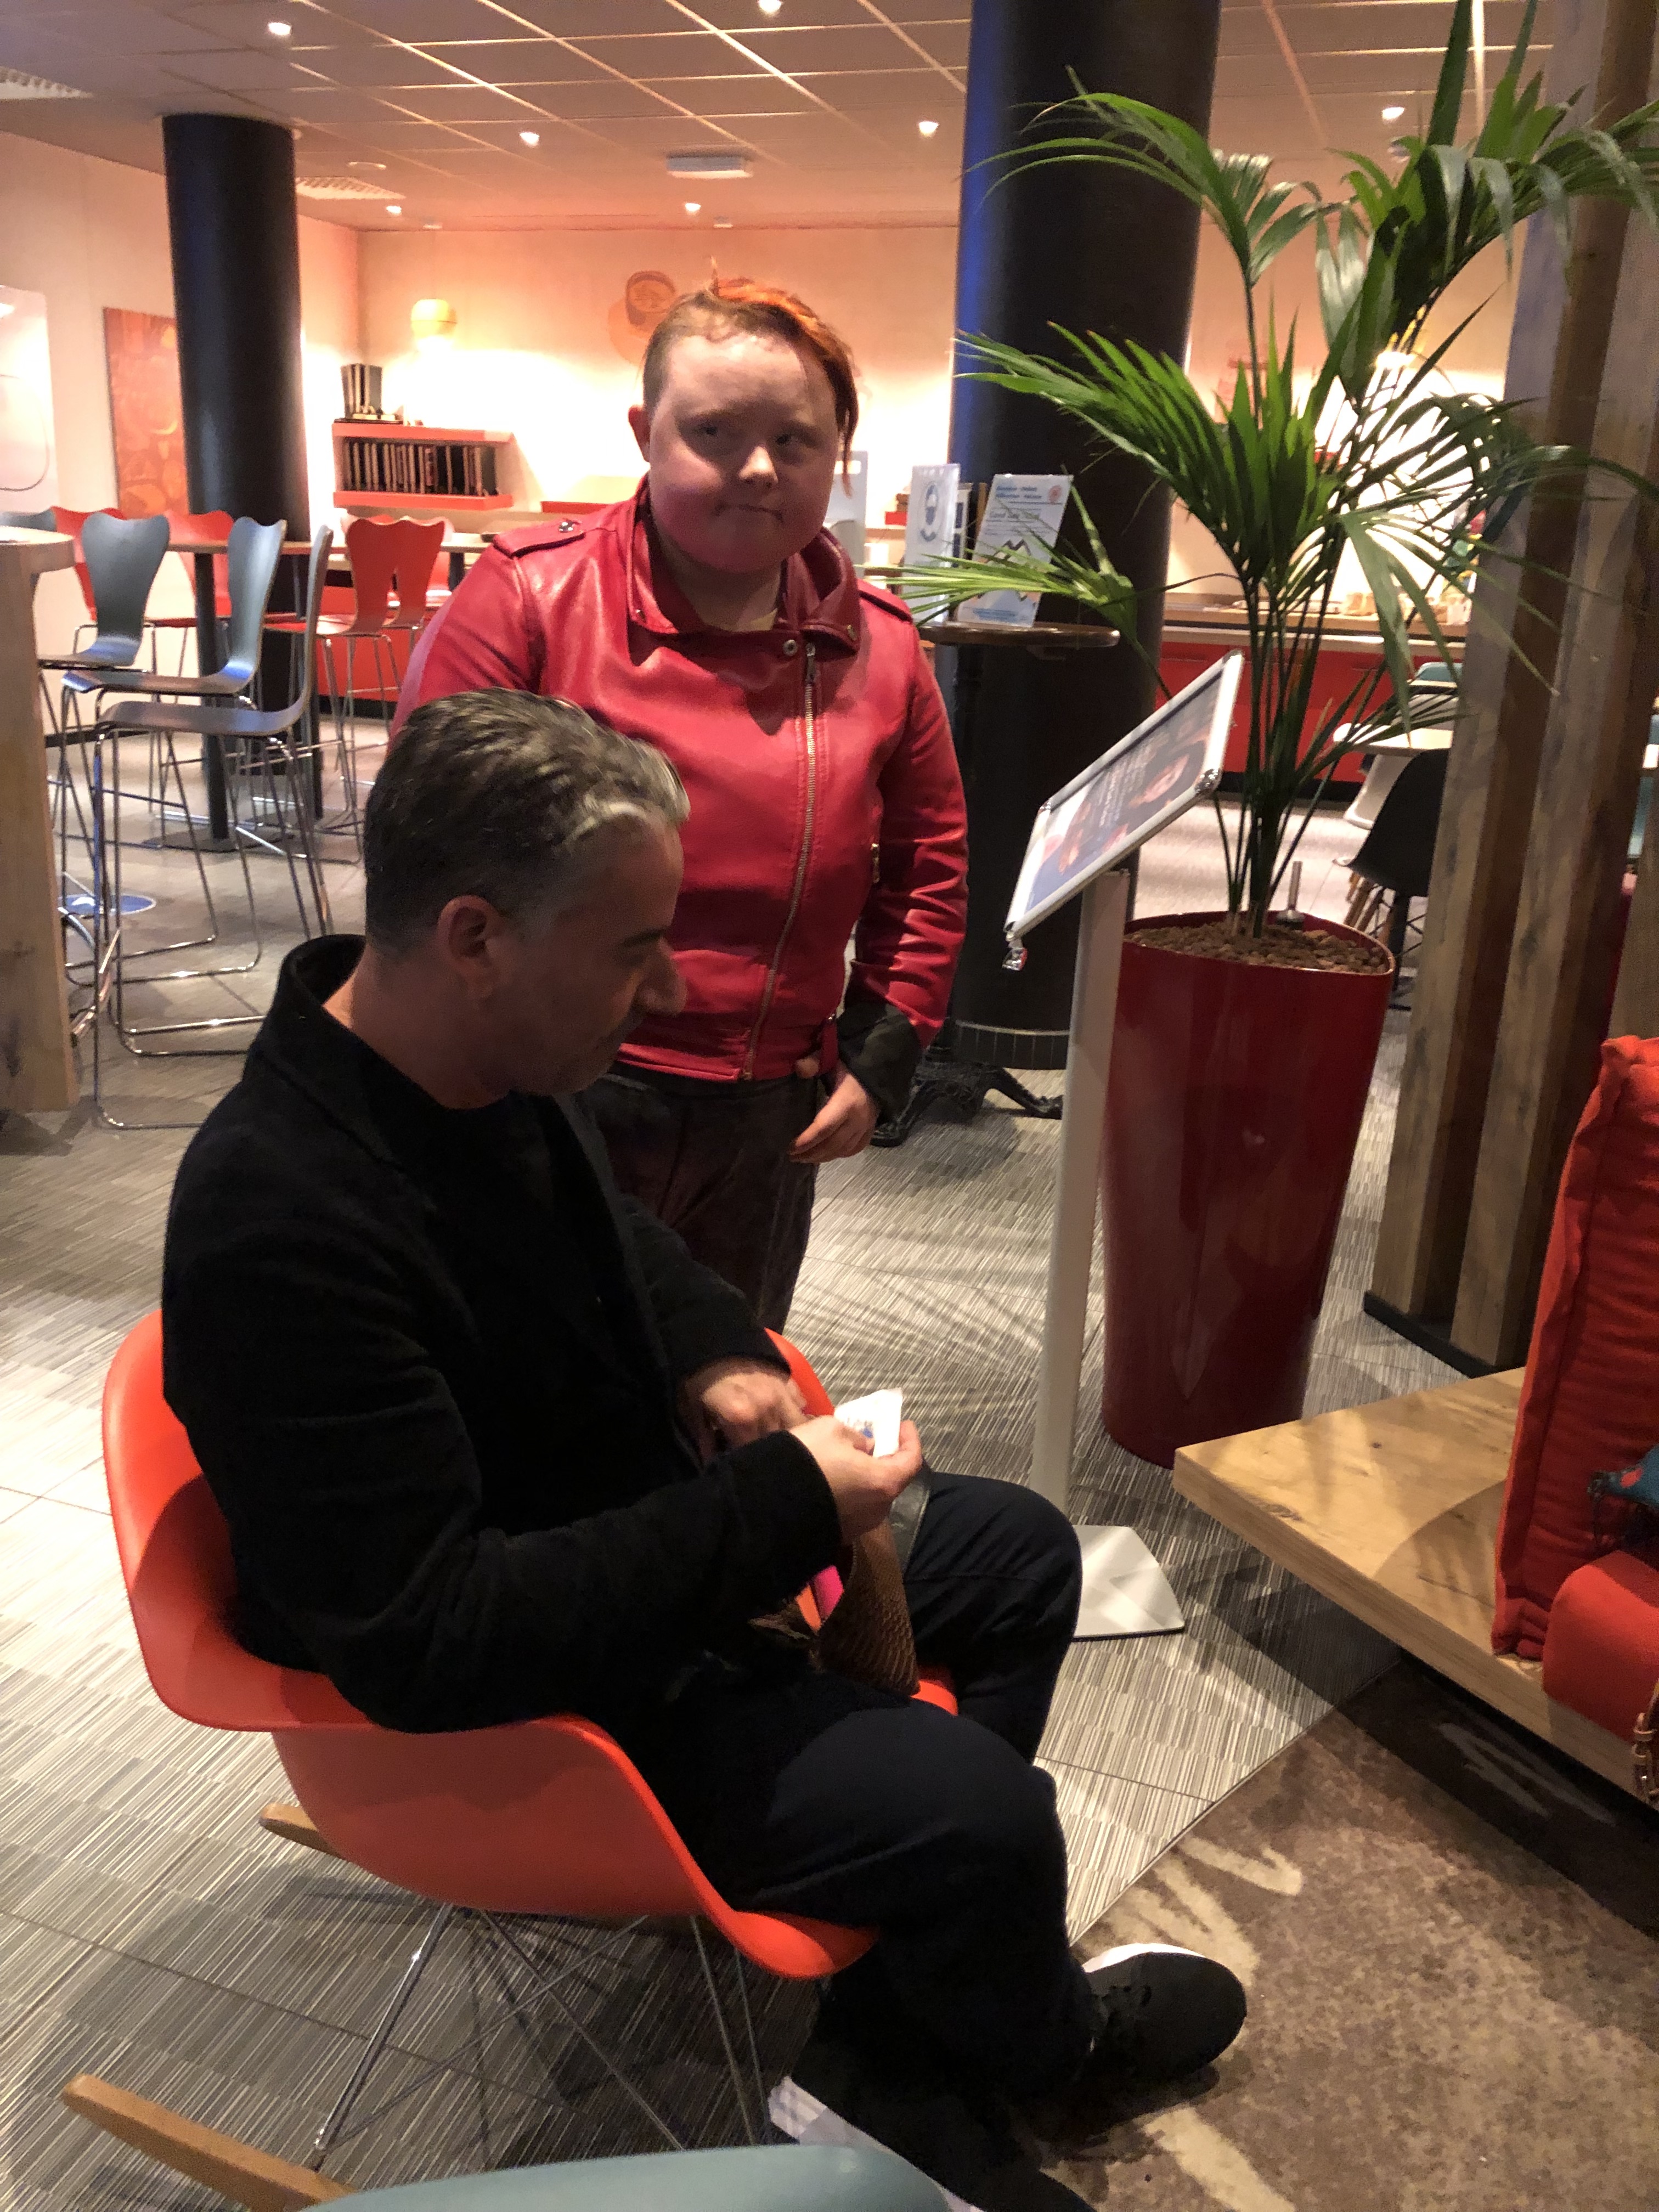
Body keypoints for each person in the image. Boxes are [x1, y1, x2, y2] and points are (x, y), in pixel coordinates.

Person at [162, 693, 1244, 2212]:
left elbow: (625, 1252)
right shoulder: (281, 1220)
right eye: (633, 947)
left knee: (1016, 1557)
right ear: (476, 939)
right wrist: (783, 1503)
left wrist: (721, 1354)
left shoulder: (479, 1072)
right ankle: (1036, 2039)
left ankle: (893, 2051)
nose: (670, 987)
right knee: (987, 1816)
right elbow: (432, 1641)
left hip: (626, 1556)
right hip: (535, 1716)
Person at [394, 276, 968, 1330]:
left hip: (767, 1110)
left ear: (837, 455)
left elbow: (930, 864)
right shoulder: (525, 598)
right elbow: (426, 859)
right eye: (714, 432)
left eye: (796, 441)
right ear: (645, 434)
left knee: (727, 1373)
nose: (758, 469)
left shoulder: (883, 645)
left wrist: (881, 1056)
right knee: (523, 1364)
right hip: (548, 1084)